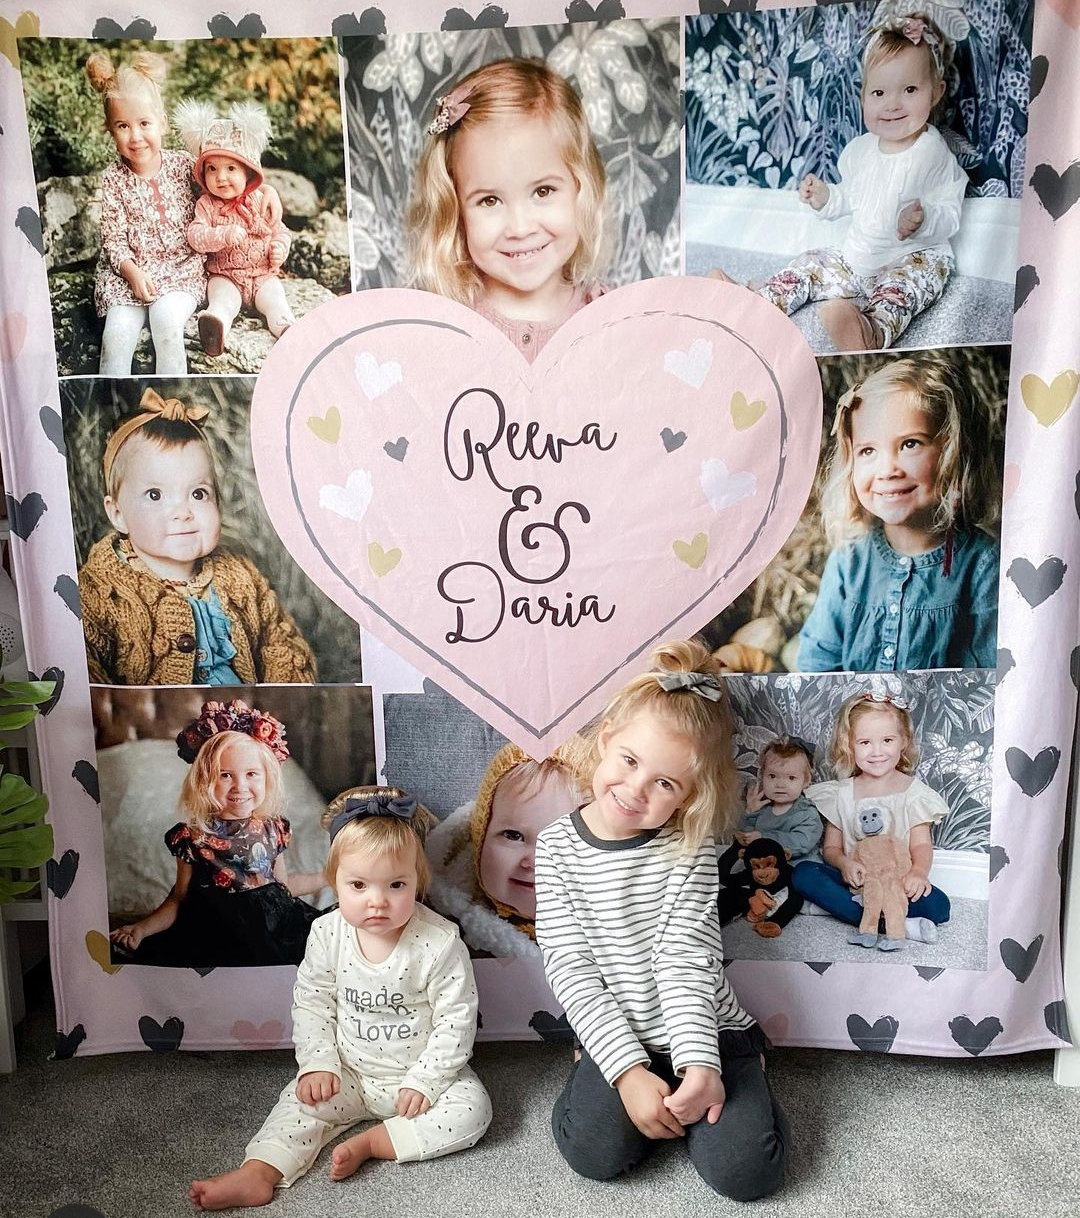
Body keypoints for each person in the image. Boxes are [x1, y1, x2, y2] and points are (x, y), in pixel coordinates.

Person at [535, 640, 788, 1202]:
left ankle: (736, 1073)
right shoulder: (555, 849)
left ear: (690, 795)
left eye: (665, 783)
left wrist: (701, 1064)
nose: (635, 790)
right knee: (592, 1153)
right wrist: (626, 1072)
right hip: (619, 1032)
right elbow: (571, 968)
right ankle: (609, 1072)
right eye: (630, 761)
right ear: (606, 740)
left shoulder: (688, 850)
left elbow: (685, 962)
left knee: (747, 1173)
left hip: (705, 1028)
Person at [189, 786, 492, 1211]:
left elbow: (456, 1020)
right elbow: (313, 1002)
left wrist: (426, 1080)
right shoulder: (327, 933)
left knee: (473, 1109)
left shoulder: (438, 942)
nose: (377, 901)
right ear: (335, 882)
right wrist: (318, 1064)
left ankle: (375, 1142)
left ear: (418, 882)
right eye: (359, 885)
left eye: (396, 884)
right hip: (347, 1071)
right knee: (299, 1103)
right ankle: (259, 1171)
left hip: (417, 1078)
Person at [714, 13, 965, 352]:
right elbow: (850, 196)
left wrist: (924, 220)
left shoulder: (932, 151)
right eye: (879, 92)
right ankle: (755, 304)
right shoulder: (860, 151)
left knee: (903, 289)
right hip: (857, 257)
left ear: (936, 92)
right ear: (863, 97)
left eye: (909, 90)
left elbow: (950, 210)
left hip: (915, 256)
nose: (892, 104)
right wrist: (826, 197)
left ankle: (871, 329)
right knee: (810, 263)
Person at [78, 387, 317, 685]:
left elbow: (281, 640)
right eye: (155, 495)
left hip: (244, 713)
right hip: (156, 716)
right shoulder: (100, 591)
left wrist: (280, 693)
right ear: (118, 514)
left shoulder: (241, 577)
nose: (183, 513)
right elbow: (81, 663)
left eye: (198, 493)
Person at [796, 354, 999, 672]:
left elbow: (989, 677)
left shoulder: (983, 564)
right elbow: (818, 663)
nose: (887, 469)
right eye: (868, 450)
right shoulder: (850, 559)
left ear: (953, 451)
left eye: (909, 444)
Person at [407, 57, 608, 362]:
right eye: (489, 200)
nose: (520, 228)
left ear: (582, 187)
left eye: (543, 191)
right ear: (455, 209)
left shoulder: (612, 320)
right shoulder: (441, 331)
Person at [110, 699, 325, 967]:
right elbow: (179, 899)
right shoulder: (192, 838)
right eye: (225, 775)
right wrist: (141, 929)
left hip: (272, 934)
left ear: (267, 778)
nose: (240, 786)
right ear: (204, 781)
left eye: (251, 774)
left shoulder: (273, 828)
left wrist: (327, 878)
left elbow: (282, 889)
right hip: (215, 936)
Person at [791, 691, 951, 950]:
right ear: (849, 745)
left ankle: (839, 910)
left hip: (895, 884)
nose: (877, 752)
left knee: (940, 907)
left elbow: (921, 845)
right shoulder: (842, 793)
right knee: (803, 874)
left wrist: (918, 873)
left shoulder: (914, 793)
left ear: (903, 741)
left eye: (887, 740)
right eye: (865, 742)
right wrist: (844, 863)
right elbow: (831, 848)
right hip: (857, 884)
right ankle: (900, 926)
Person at [85, 49, 205, 376]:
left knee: (167, 322)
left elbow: (221, 194)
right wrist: (132, 273)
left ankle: (171, 398)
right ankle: (113, 400)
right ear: (110, 129)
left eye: (144, 123)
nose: (135, 136)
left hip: (179, 270)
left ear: (162, 122)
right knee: (117, 334)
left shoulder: (184, 166)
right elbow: (113, 239)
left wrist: (264, 193)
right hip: (128, 276)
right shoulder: (114, 178)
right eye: (123, 126)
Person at [425, 743, 581, 957]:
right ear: (480, 836)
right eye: (513, 836)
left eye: (560, 841)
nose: (534, 861)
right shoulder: (438, 926)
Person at [174, 100, 295, 356]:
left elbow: (281, 231)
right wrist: (222, 234)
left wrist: (279, 248)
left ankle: (286, 328)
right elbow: (195, 235)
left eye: (231, 168)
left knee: (275, 299)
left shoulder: (261, 200)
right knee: (223, 301)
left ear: (248, 173)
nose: (221, 177)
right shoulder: (207, 204)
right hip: (224, 276)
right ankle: (215, 326)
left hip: (262, 276)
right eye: (212, 169)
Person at [716, 736, 822, 924]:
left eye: (791, 778)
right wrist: (750, 813)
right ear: (762, 776)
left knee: (798, 889)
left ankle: (778, 907)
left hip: (793, 873)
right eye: (772, 776)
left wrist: (763, 837)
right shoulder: (762, 809)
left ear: (806, 781)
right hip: (764, 875)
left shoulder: (806, 812)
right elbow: (747, 841)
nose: (780, 784)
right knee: (729, 891)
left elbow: (802, 842)